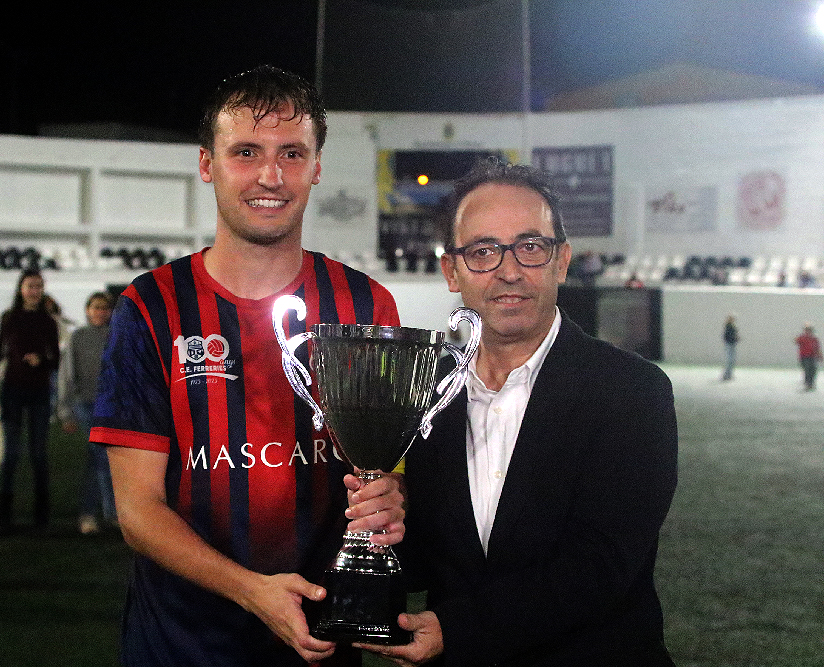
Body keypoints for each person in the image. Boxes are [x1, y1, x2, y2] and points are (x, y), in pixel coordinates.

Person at [90, 65, 405, 667]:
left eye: (292, 153)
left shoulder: (365, 306)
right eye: (246, 152)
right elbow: (137, 512)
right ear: (207, 164)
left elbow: (388, 468)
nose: (270, 176)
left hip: (321, 644)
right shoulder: (151, 307)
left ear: (316, 167)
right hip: (180, 647)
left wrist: (393, 497)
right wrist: (253, 591)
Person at [365, 158, 679, 666]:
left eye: (530, 247)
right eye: (483, 251)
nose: (509, 271)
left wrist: (457, 630)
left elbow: (601, 566)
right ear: (452, 271)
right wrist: (385, 527)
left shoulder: (632, 392)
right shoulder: (423, 390)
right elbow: (430, 560)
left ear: (562, 261)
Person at [0, 269, 60, 533]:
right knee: (11, 453)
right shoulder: (9, 318)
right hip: (12, 389)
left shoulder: (48, 321)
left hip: (39, 391)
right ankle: (3, 515)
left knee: (39, 454)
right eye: (30, 286)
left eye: (38, 286)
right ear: (21, 288)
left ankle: (42, 516)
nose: (34, 291)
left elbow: (56, 359)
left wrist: (42, 360)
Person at [57, 291, 117, 535]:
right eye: (96, 307)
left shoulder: (118, 336)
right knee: (101, 457)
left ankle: (93, 513)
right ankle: (104, 513)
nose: (100, 312)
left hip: (113, 406)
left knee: (100, 459)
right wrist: (65, 411)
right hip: (86, 404)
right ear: (87, 310)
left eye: (105, 308)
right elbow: (66, 375)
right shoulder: (78, 337)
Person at [794, 324, 822, 391]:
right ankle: (807, 384)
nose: (808, 332)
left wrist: (820, 356)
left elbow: (817, 348)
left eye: (810, 330)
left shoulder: (814, 339)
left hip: (812, 357)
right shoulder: (802, 338)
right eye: (807, 330)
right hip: (804, 357)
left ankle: (811, 384)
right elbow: (796, 341)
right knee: (807, 370)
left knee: (813, 370)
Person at [722, 314, 738, 381]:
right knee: (730, 360)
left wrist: (736, 339)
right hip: (730, 344)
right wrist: (734, 339)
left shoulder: (732, 326)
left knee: (731, 360)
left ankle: (729, 374)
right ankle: (727, 375)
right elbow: (727, 336)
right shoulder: (729, 326)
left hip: (732, 344)